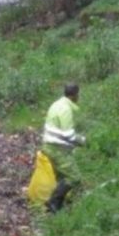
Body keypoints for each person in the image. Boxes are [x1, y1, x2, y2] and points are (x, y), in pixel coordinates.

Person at [42, 83, 86, 213]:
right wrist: (83, 141)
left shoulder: (56, 104)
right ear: (74, 95)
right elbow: (69, 135)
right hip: (57, 149)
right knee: (74, 177)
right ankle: (52, 202)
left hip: (49, 145)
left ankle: (57, 208)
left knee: (62, 178)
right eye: (78, 95)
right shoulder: (66, 109)